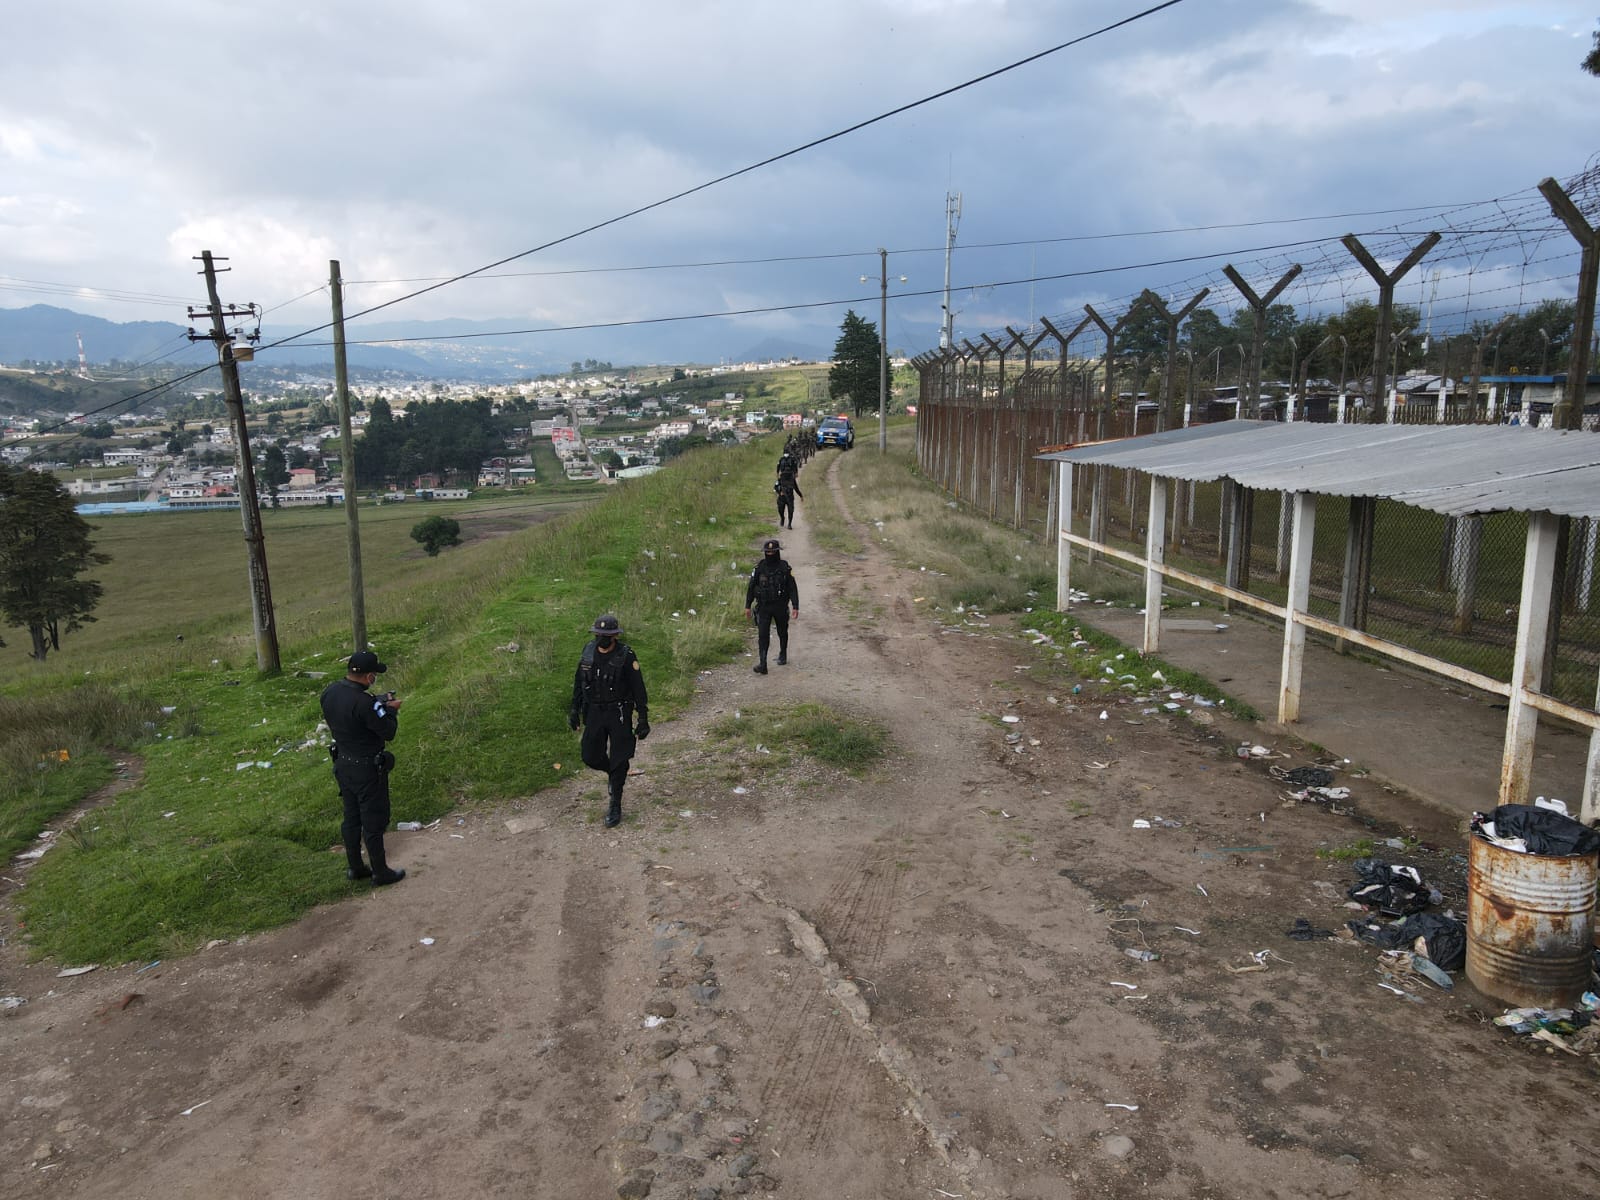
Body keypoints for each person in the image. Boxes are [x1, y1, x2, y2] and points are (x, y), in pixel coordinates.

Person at [320, 650, 406, 885]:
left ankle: (355, 868)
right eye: (374, 675)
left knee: (351, 817)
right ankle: (380, 872)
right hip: (367, 769)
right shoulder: (366, 704)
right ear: (369, 677)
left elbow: (350, 714)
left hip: (343, 764)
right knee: (373, 820)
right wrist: (390, 710)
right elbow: (388, 731)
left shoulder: (330, 692)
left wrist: (376, 702)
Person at [568, 614, 650, 828]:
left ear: (614, 636)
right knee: (589, 755)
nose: (601, 638)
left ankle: (615, 803)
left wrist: (643, 718)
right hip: (594, 712)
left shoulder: (626, 655)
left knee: (620, 757)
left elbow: (638, 689)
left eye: (606, 635)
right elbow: (578, 683)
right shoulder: (587, 652)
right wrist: (574, 711)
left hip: (619, 712)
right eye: (598, 634)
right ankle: (613, 773)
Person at [744, 538, 799, 674]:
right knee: (763, 635)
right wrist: (747, 606)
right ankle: (763, 664)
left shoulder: (784, 567)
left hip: (780, 606)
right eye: (767, 552)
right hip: (763, 607)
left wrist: (795, 606)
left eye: (772, 552)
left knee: (782, 631)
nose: (769, 554)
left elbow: (792, 587)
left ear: (777, 552)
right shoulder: (759, 568)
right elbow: (751, 587)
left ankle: (783, 654)